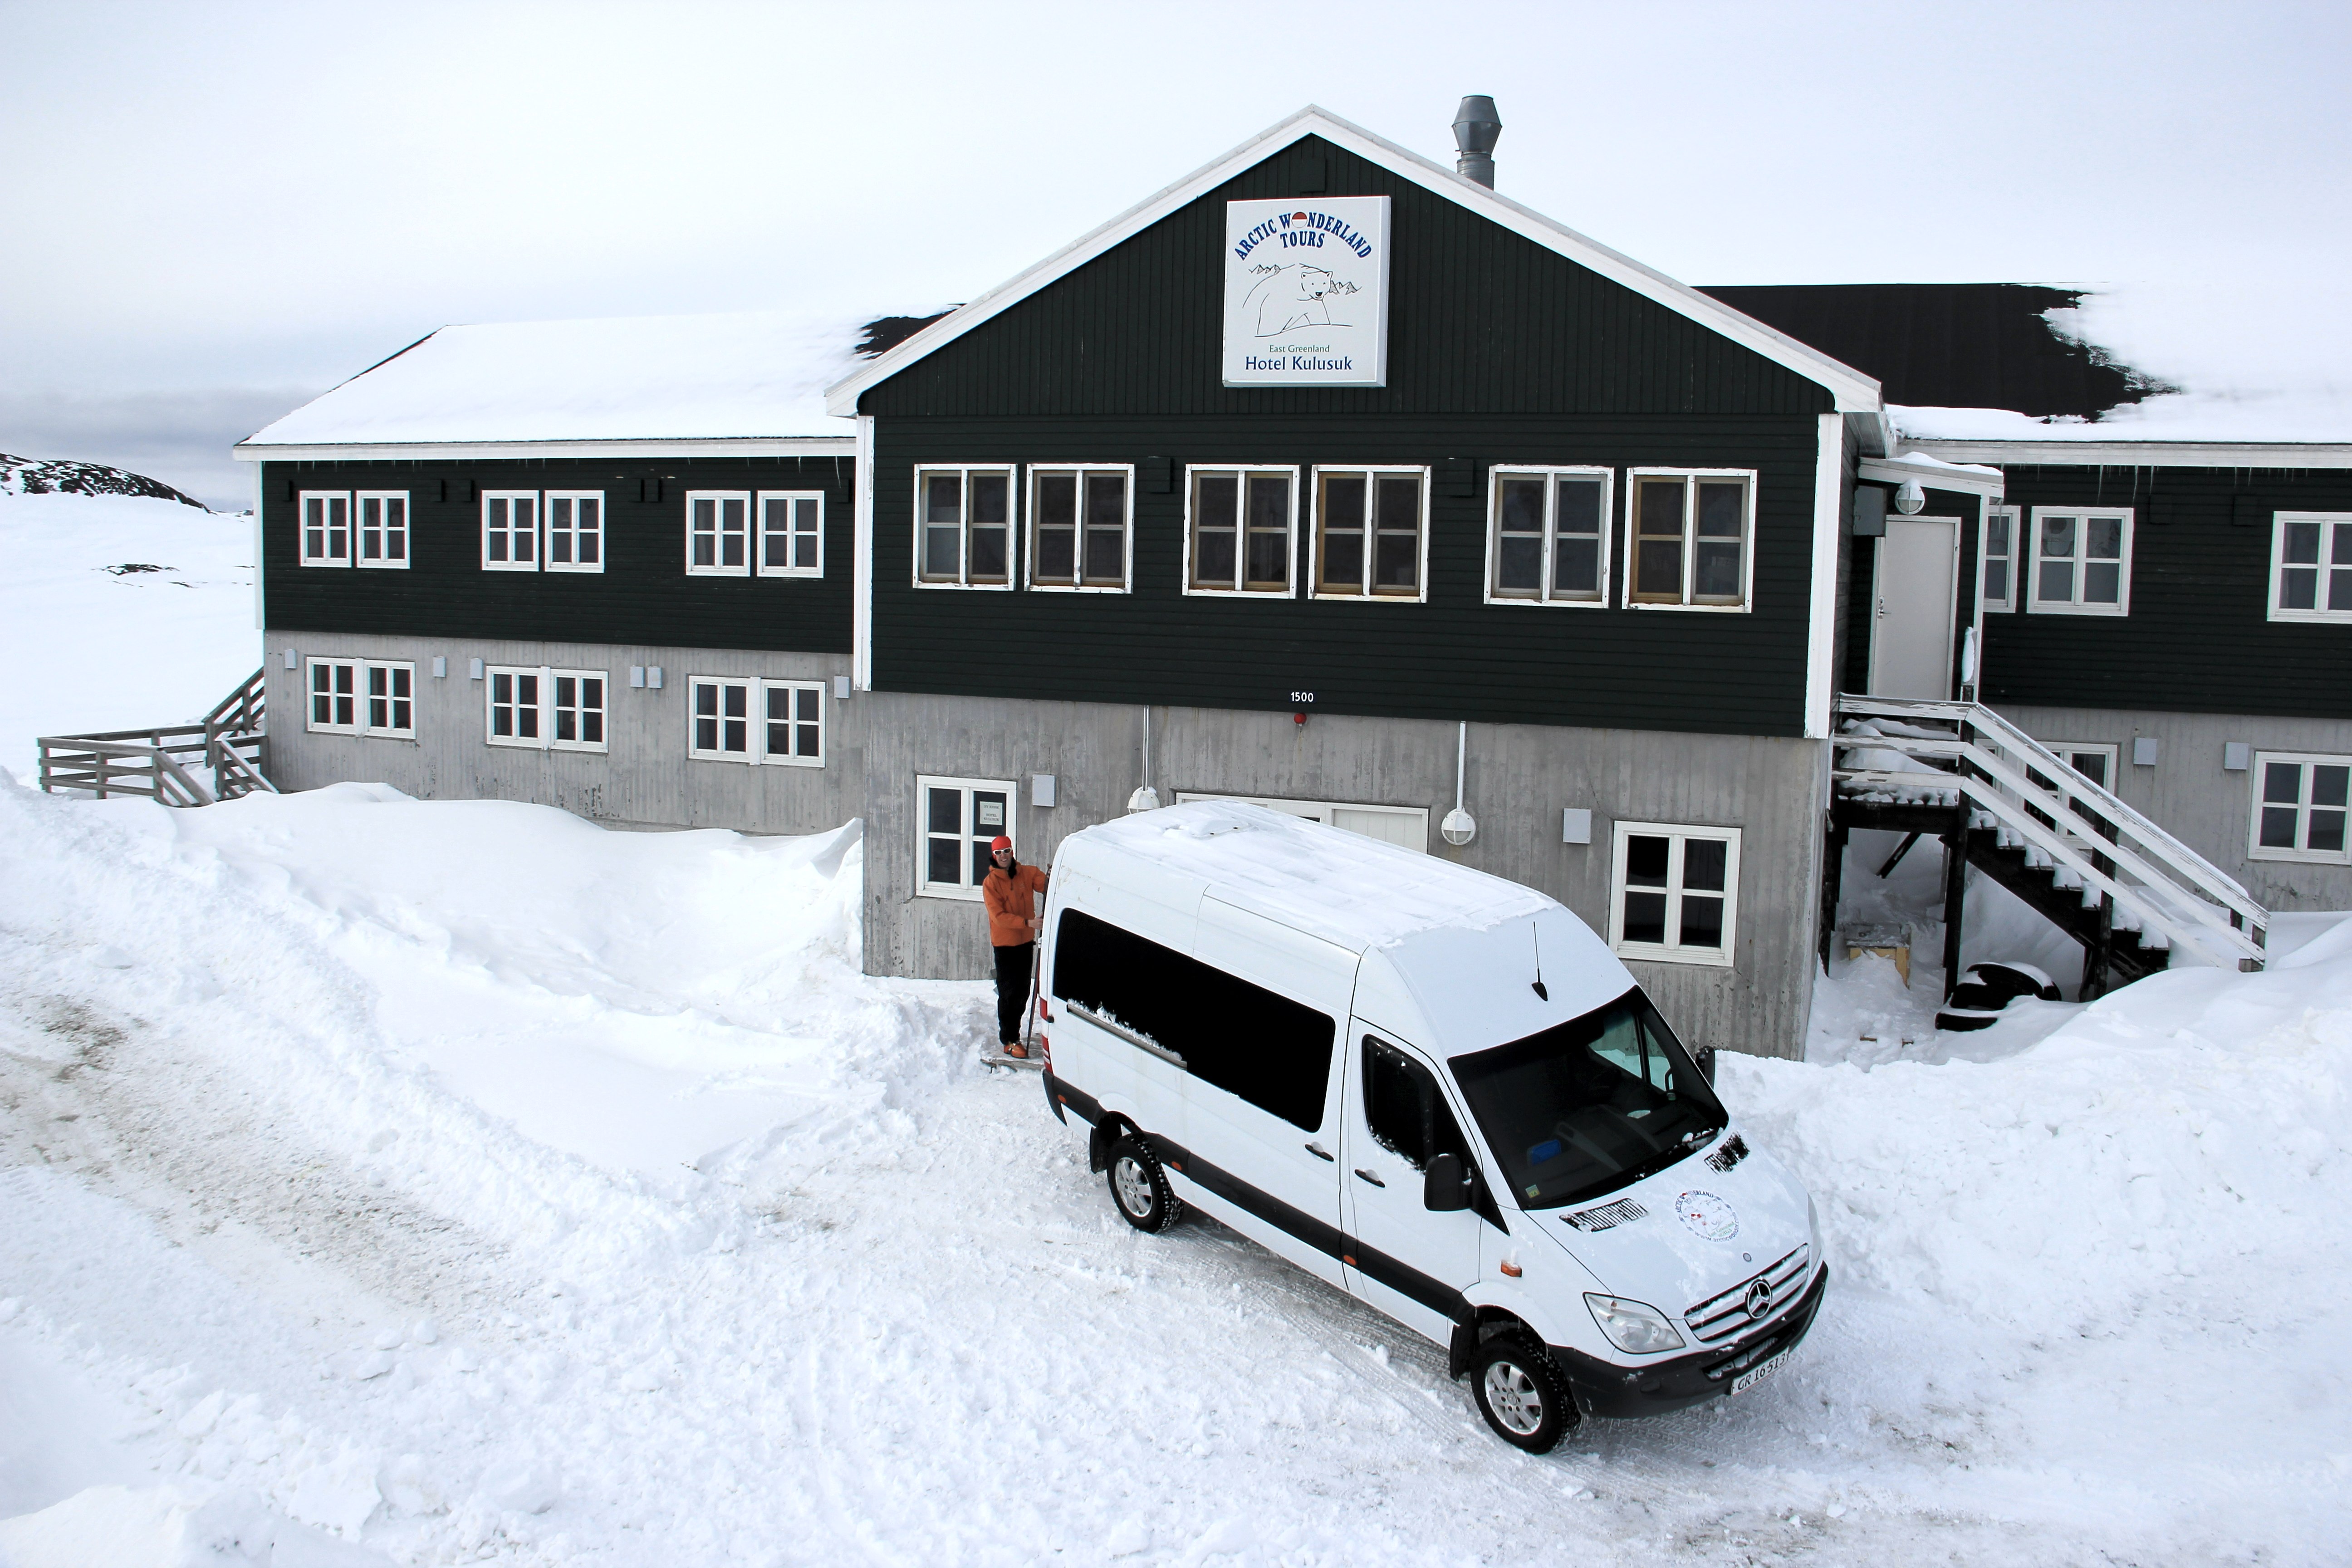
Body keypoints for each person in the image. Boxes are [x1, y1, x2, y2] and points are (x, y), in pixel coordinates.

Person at [981, 835, 1049, 1056]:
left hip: (1025, 943)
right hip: (1005, 946)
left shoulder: (1026, 873)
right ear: (993, 855)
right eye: (999, 852)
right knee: (1009, 994)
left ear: (1012, 852)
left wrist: (1053, 875)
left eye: (1007, 851)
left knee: (1023, 992)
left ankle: (1015, 1034)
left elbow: (1046, 885)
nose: (1003, 856)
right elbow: (999, 917)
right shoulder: (991, 884)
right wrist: (1029, 923)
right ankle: (1009, 1039)